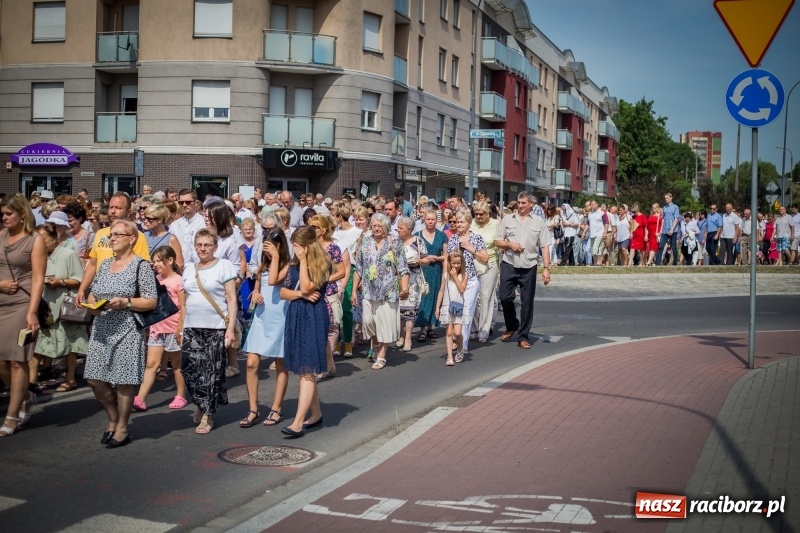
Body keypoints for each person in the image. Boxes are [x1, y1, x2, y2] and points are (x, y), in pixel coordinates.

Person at [83, 220, 158, 448]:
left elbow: (151, 301)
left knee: (124, 382)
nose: (112, 238)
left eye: (118, 235)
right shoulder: (105, 264)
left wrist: (125, 302)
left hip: (127, 328)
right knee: (94, 378)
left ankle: (123, 427)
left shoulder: (141, 266)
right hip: (102, 327)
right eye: (110, 235)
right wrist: (91, 304)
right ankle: (113, 417)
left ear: (131, 239)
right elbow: (94, 294)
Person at [180, 229, 237, 434]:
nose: (203, 249)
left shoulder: (224, 265)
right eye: (199, 245)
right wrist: (181, 328)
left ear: (215, 247)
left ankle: (207, 414)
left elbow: (231, 298)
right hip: (191, 327)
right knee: (189, 370)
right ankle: (201, 402)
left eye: (207, 245)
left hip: (215, 327)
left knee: (210, 372)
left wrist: (230, 329)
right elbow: (184, 302)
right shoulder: (188, 269)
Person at [0, 194, 47, 437]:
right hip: (1, 303)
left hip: (22, 304)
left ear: (22, 215)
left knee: (18, 362)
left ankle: (11, 415)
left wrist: (31, 312)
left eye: (9, 213)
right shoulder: (1, 236)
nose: (4, 217)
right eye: (3, 213)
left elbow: (39, 278)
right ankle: (25, 395)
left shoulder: (35, 240)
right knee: (1, 362)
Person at [279, 226, 332, 438]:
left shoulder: (322, 263)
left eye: (299, 246)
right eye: (294, 246)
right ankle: (316, 413)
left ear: (309, 246)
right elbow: (283, 292)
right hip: (297, 314)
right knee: (303, 368)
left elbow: (310, 286)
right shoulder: (293, 264)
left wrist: (303, 263)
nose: (296, 250)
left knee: (307, 369)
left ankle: (298, 422)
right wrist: (300, 294)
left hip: (313, 316)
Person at [240, 228, 290, 428]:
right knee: (251, 362)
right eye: (268, 245)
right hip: (262, 316)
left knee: (280, 364)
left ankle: (276, 408)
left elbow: (274, 280)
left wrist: (277, 256)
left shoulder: (288, 265)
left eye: (274, 245)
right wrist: (255, 294)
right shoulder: (263, 266)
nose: (269, 250)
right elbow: (260, 286)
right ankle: (253, 409)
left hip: (280, 317)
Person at [32, 223, 88, 394]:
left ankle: (70, 379)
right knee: (36, 346)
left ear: (54, 238)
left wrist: (60, 282)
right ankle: (31, 382)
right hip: (43, 306)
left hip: (64, 306)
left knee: (70, 345)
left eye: (44, 239)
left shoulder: (67, 254)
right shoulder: (36, 256)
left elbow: (79, 279)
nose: (40, 243)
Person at [350, 213, 409, 370]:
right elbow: (359, 268)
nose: (376, 229)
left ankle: (382, 354)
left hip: (388, 291)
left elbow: (403, 268)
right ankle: (375, 343)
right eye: (373, 226)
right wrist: (354, 291)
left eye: (379, 226)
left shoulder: (394, 242)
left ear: (386, 227)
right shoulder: (366, 242)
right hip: (369, 291)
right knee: (368, 322)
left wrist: (405, 288)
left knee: (385, 324)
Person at [495, 191, 552, 350]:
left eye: (523, 203)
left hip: (529, 265)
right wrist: (510, 245)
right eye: (518, 203)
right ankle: (512, 324)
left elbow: (545, 246)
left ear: (531, 205)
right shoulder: (507, 219)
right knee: (505, 297)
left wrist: (546, 268)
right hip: (509, 263)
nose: (520, 206)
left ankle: (523, 336)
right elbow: (498, 241)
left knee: (527, 302)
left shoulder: (539, 222)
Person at [133, 246, 187, 412]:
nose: (154, 264)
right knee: (151, 364)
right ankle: (140, 399)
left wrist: (180, 328)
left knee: (177, 364)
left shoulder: (178, 280)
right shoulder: (154, 279)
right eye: (153, 261)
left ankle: (180, 395)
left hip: (173, 328)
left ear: (170, 260)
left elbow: (183, 307)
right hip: (157, 329)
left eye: (158, 261)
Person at [77, 193, 150, 306]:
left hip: (123, 296)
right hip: (98, 293)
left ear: (128, 211)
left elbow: (142, 268)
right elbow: (92, 264)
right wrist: (82, 289)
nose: (113, 211)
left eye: (118, 208)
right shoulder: (100, 234)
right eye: (111, 207)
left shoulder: (137, 236)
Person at [204, 201, 246, 376]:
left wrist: (233, 285)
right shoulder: (202, 237)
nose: (205, 219)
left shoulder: (229, 241)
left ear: (218, 218)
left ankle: (233, 363)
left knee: (228, 324)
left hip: (223, 290)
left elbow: (238, 266)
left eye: (209, 217)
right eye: (205, 216)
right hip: (204, 290)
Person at [446, 209, 488, 355]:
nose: (458, 224)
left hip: (470, 279)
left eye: (462, 222)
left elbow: (485, 258)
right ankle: (457, 339)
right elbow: (447, 260)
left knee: (467, 311)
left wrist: (471, 249)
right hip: (454, 280)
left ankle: (462, 344)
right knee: (455, 309)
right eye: (457, 222)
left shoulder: (476, 238)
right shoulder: (452, 239)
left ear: (469, 223)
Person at [309, 214, 346, 379]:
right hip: (310, 292)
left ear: (324, 230)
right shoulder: (308, 246)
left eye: (316, 227)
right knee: (316, 330)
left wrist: (324, 280)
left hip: (327, 293)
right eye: (310, 226)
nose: (312, 229)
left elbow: (342, 272)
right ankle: (328, 364)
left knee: (324, 329)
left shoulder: (333, 248)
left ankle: (323, 365)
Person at [331, 203, 362, 358]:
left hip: (350, 271)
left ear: (340, 217)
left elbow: (357, 256)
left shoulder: (357, 232)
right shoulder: (334, 232)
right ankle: (336, 341)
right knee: (334, 309)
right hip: (335, 271)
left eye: (334, 215)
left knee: (346, 308)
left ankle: (348, 342)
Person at [415, 208, 448, 341]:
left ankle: (430, 328)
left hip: (436, 270)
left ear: (436, 220)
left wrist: (437, 258)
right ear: (424, 219)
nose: (430, 221)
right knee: (423, 298)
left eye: (432, 219)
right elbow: (414, 255)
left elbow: (446, 255)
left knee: (434, 297)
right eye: (428, 219)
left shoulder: (442, 236)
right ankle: (422, 329)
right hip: (422, 270)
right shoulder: (418, 235)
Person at [396, 216, 428, 352]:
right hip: (397, 280)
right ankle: (401, 335)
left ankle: (408, 337)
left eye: (401, 228)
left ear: (409, 229)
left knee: (409, 310)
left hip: (414, 280)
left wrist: (419, 261)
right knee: (398, 311)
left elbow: (426, 259)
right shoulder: (395, 242)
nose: (398, 230)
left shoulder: (417, 241)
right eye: (397, 227)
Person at [469, 200, 499, 342]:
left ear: (488, 213)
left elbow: (499, 243)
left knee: (486, 296)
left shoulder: (495, 224)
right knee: (474, 296)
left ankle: (484, 330)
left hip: (490, 263)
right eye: (476, 214)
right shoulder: (472, 223)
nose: (479, 216)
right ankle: (474, 328)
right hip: (473, 263)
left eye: (482, 214)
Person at [436, 250, 468, 365]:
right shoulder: (445, 275)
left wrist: (455, 277)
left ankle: (460, 348)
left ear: (462, 263)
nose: (456, 265)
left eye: (458, 263)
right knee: (449, 332)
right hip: (448, 306)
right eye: (454, 263)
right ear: (450, 263)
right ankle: (450, 356)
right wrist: (437, 307)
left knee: (458, 333)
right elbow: (441, 291)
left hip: (459, 306)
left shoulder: (464, 275)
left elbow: (462, 290)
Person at [143, 204, 184, 269]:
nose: (145, 221)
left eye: (149, 219)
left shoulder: (171, 239)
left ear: (160, 220)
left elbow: (180, 264)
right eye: (145, 218)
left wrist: (161, 267)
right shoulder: (144, 236)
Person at [655, 192, 681, 266]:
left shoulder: (675, 207)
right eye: (665, 198)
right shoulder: (664, 208)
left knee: (673, 246)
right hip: (665, 230)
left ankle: (675, 262)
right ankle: (657, 263)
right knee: (661, 246)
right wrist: (661, 230)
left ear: (671, 198)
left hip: (673, 230)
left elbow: (676, 219)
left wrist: (672, 229)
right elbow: (663, 219)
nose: (666, 199)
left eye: (667, 198)